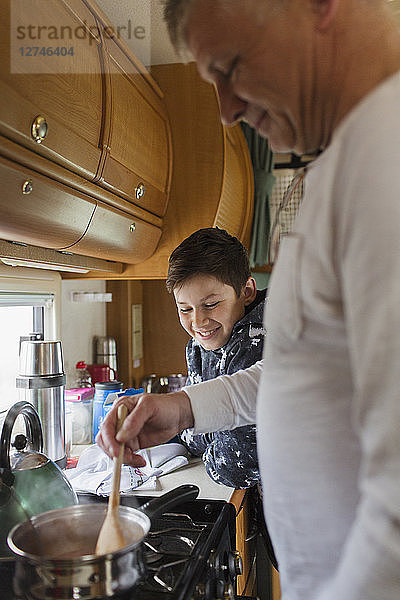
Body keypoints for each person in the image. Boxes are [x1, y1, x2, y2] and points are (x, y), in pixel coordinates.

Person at [97, 1, 400, 599]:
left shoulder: (385, 165)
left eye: (232, 66)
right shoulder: (347, 161)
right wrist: (181, 409)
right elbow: (298, 373)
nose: (227, 111)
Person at [166, 226, 266, 489]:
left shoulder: (258, 340)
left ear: (246, 292)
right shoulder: (199, 346)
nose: (198, 321)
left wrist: (209, 438)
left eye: (210, 304)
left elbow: (238, 464)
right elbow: (191, 435)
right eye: (185, 309)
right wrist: (214, 434)